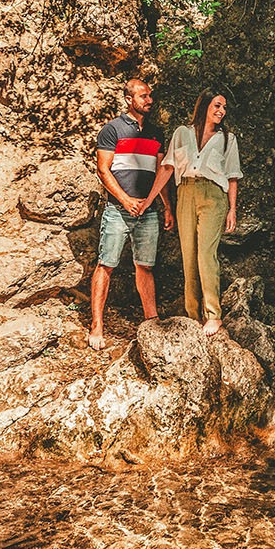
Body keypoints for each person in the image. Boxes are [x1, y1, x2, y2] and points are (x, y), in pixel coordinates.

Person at [145, 89, 242, 336]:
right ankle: (192, 314)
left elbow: (232, 176)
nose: (221, 111)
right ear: (205, 105)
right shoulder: (182, 134)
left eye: (224, 108)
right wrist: (149, 200)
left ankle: (213, 315)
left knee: (206, 255)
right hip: (185, 193)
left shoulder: (227, 139)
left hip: (213, 196)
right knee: (188, 256)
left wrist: (232, 209)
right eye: (217, 105)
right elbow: (167, 168)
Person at [89, 77, 172, 349]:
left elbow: (161, 173)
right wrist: (124, 200)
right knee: (106, 264)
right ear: (129, 99)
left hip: (147, 211)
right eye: (143, 96)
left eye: (150, 96)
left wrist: (165, 206)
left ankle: (152, 321)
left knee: (145, 266)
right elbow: (103, 170)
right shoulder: (112, 130)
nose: (149, 100)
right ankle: (97, 325)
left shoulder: (156, 133)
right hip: (118, 209)